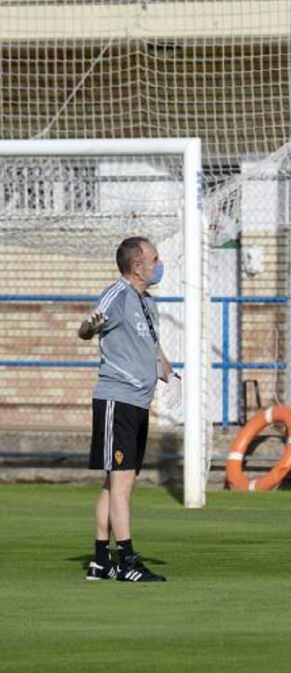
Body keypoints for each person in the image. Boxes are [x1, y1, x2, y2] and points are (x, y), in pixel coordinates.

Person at [78, 237, 172, 582]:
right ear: (137, 266)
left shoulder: (147, 302)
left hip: (138, 402)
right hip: (117, 400)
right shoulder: (116, 295)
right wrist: (89, 325)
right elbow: (86, 330)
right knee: (122, 485)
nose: (159, 264)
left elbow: (153, 349)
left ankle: (101, 561)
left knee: (117, 481)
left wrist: (171, 377)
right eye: (155, 258)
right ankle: (127, 562)